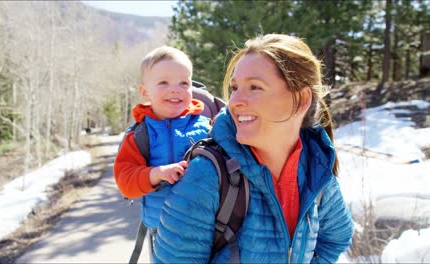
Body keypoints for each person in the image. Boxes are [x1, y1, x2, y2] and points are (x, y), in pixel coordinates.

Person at [153, 34, 354, 263]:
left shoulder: (316, 171)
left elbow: (337, 238)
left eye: (255, 87)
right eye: (235, 87)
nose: (235, 100)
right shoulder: (207, 175)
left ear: (300, 99)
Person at [113, 46, 211, 259]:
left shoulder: (207, 127)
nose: (175, 89)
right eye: (163, 83)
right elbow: (125, 181)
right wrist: (155, 174)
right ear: (145, 92)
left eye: (183, 83)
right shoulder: (140, 135)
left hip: (209, 225)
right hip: (163, 231)